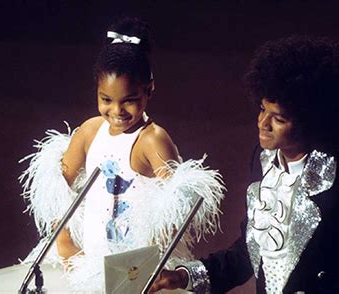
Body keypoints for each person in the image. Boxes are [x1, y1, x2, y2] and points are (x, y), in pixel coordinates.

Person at [151, 36, 339, 293]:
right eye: (262, 109)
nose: (262, 123)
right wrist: (184, 276)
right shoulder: (262, 164)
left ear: (312, 122)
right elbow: (247, 253)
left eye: (279, 118)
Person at [19, 17, 225, 292]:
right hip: (87, 261)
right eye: (106, 99)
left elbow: (175, 211)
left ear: (149, 89)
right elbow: (56, 191)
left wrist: (149, 263)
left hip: (135, 270)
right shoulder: (90, 132)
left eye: (129, 100)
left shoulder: (152, 139)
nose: (117, 111)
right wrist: (66, 242)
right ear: (97, 90)